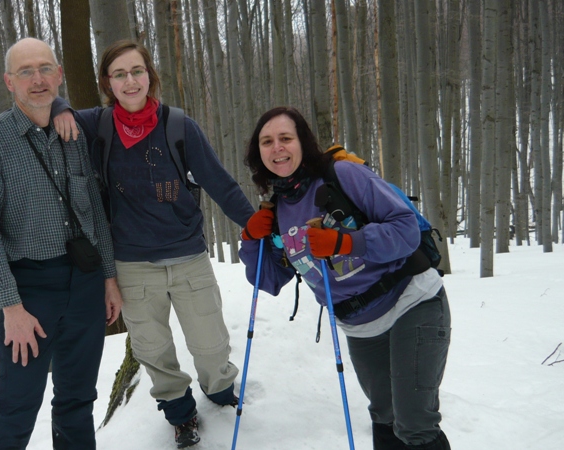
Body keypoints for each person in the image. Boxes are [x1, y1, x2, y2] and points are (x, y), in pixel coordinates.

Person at [52, 40, 254, 448]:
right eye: (120, 74)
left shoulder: (178, 125)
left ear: (150, 75)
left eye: (137, 71)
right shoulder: (97, 124)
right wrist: (58, 107)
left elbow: (219, 182)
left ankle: (219, 392)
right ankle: (180, 415)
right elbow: (59, 112)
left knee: (211, 343)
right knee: (153, 350)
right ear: (108, 83)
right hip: (132, 265)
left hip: (188, 257)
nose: (131, 81)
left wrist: (255, 224)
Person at [239, 107, 452, 450]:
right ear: (258, 153)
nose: (277, 147)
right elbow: (269, 280)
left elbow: (405, 230)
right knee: (384, 416)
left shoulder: (342, 175)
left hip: (411, 301)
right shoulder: (276, 210)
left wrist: (346, 242)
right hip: (360, 325)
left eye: (285, 138)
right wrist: (250, 240)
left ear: (302, 143)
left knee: (414, 422)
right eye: (267, 141)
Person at [0, 37, 122, 450]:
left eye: (45, 68)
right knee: (17, 405)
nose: (37, 80)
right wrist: (10, 307)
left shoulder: (76, 136)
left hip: (85, 285)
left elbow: (95, 216)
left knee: (78, 401)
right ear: (9, 82)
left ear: (60, 75)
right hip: (30, 294)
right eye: (25, 72)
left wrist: (108, 278)